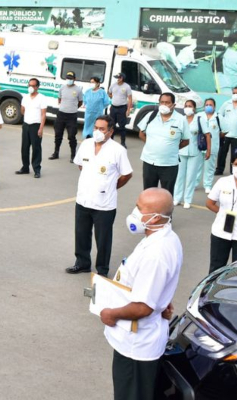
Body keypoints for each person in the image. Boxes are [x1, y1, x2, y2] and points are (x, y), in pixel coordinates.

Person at [100, 188, 182, 400]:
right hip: (142, 338)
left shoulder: (155, 255)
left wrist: (110, 314)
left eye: (139, 208)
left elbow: (142, 308)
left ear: (155, 218)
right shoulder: (166, 237)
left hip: (136, 344)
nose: (134, 212)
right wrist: (162, 302)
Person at [65, 116, 133, 277]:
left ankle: (102, 269)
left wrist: (111, 187)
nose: (97, 131)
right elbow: (80, 164)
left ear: (110, 131)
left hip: (104, 204)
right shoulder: (86, 144)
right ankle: (82, 263)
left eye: (102, 129)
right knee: (81, 234)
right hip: (83, 199)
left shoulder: (118, 150)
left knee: (103, 239)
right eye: (96, 127)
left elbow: (127, 174)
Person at [138, 92, 190, 195]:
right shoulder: (151, 116)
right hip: (149, 162)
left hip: (169, 165)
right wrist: (152, 145)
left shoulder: (181, 120)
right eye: (162, 102)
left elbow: (186, 141)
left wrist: (171, 148)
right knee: (148, 194)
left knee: (166, 195)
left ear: (174, 105)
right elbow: (141, 134)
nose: (164, 105)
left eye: (167, 103)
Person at [173, 100, 211, 208]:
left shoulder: (199, 119)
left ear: (194, 108)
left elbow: (207, 134)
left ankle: (187, 200)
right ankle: (177, 198)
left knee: (190, 177)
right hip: (181, 151)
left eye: (190, 106)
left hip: (195, 152)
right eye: (186, 106)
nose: (187, 108)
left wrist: (208, 150)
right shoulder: (181, 119)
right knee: (179, 176)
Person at [207, 157, 237, 273]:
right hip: (220, 232)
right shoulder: (223, 182)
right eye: (236, 164)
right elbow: (210, 203)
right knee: (215, 269)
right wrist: (223, 214)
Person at [16, 78, 47, 178]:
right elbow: (22, 110)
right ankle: (25, 167)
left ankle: (37, 169)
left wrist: (41, 128)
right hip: (26, 125)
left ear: (37, 87)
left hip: (36, 125)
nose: (30, 87)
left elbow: (43, 114)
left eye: (33, 85)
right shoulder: (25, 97)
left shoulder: (42, 98)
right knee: (24, 147)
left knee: (36, 148)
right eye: (29, 85)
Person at [49, 71, 83, 162]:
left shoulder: (78, 90)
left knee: (71, 136)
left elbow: (80, 102)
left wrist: (72, 108)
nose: (69, 80)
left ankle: (73, 155)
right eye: (68, 78)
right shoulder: (62, 88)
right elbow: (59, 99)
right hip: (61, 114)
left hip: (72, 116)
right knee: (58, 135)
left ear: (74, 79)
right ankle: (56, 153)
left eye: (71, 78)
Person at [195, 98, 223, 193]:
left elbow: (224, 131)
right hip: (199, 145)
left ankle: (207, 185)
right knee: (197, 166)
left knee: (209, 167)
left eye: (210, 105)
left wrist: (215, 137)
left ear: (214, 106)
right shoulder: (199, 116)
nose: (208, 106)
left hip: (213, 146)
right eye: (206, 105)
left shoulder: (218, 117)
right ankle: (194, 184)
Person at [108, 73, 133, 147]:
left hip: (122, 108)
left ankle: (123, 142)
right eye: (117, 78)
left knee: (122, 126)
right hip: (113, 108)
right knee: (111, 125)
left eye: (119, 78)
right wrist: (113, 98)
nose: (117, 79)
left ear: (122, 78)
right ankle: (110, 141)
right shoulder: (113, 85)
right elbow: (109, 93)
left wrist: (128, 110)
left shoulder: (127, 86)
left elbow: (130, 98)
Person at [216, 86, 237, 175]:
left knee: (235, 154)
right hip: (226, 134)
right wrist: (222, 128)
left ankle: (234, 171)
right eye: (234, 93)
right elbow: (219, 114)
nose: (235, 95)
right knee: (222, 153)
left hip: (236, 135)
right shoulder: (226, 104)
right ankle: (219, 169)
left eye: (236, 93)